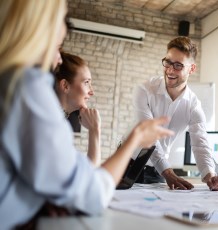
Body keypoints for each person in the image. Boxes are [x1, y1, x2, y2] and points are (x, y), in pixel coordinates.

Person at [0, 1, 174, 229]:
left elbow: (65, 177)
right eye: (57, 45)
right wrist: (135, 139)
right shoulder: (26, 87)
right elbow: (92, 193)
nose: (58, 59)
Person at [133, 36, 218, 191]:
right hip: (128, 164)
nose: (170, 70)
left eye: (178, 65)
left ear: (192, 69)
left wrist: (210, 175)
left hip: (157, 172)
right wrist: (168, 172)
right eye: (168, 62)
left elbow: (200, 144)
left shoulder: (193, 105)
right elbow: (148, 134)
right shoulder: (144, 90)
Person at [54, 51, 101, 165]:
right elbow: (89, 177)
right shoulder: (50, 125)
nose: (91, 92)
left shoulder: (59, 122)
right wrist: (95, 130)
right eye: (86, 82)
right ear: (65, 86)